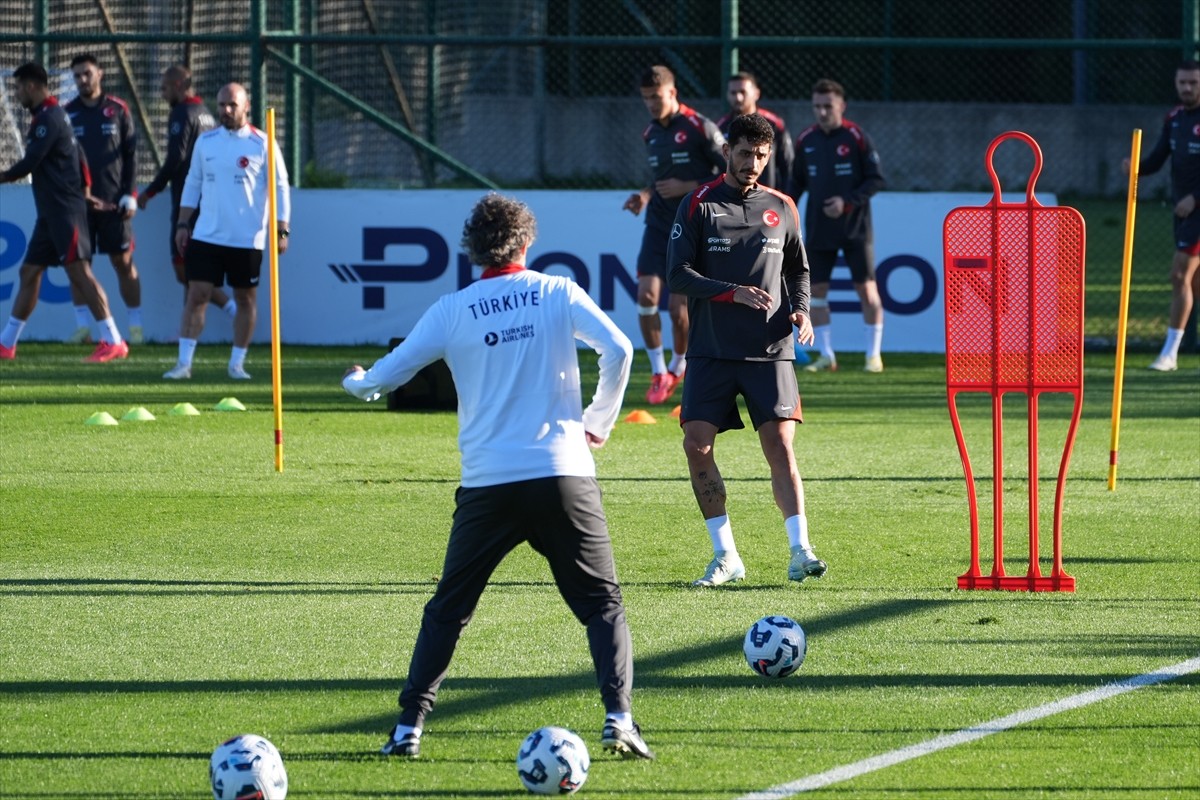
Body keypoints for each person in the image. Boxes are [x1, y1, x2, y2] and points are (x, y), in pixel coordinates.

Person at [343, 193, 652, 761]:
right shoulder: (557, 291)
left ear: (472, 250)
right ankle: (619, 720)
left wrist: (356, 380)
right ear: (527, 243)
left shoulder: (452, 309)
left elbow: (386, 377)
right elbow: (619, 349)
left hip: (489, 484)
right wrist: (596, 423)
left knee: (449, 609)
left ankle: (408, 729)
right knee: (601, 604)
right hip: (562, 473)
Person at [667, 113, 826, 588]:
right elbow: (677, 274)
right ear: (726, 151)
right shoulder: (698, 204)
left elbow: (798, 269)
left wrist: (802, 310)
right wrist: (730, 292)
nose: (751, 163)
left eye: (760, 155)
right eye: (743, 153)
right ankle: (726, 556)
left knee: (779, 446)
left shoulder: (782, 206)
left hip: (769, 348)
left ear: (769, 155)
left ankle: (800, 550)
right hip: (711, 349)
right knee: (696, 446)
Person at [0, 62, 128, 363]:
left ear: (31, 86)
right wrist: (86, 191)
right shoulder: (56, 114)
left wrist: (2, 176)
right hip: (51, 213)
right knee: (29, 272)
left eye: (18, 88)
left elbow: (30, 163)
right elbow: (80, 156)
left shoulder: (48, 118)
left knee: (79, 272)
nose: (17, 94)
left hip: (64, 211)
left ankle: (113, 340)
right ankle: (6, 344)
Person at [165, 82, 290, 380]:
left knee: (245, 299)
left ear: (246, 107)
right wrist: (183, 223)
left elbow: (281, 187)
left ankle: (236, 364)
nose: (226, 110)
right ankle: (183, 364)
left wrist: (282, 229)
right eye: (221, 105)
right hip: (206, 235)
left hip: (247, 239)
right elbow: (192, 183)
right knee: (197, 294)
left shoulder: (263, 143)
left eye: (232, 105)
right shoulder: (206, 142)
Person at [622, 65, 725, 404]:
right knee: (646, 296)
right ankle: (658, 372)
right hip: (657, 224)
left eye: (656, 97)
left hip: (692, 225)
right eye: (646, 98)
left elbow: (731, 172)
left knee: (679, 310)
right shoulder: (650, 132)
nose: (651, 104)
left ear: (672, 92)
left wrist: (688, 186)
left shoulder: (700, 127)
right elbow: (660, 179)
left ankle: (678, 366)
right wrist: (645, 195)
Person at [790, 78, 886, 373]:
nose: (822, 112)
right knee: (816, 291)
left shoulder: (856, 137)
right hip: (819, 228)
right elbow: (795, 184)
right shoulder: (806, 139)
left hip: (855, 228)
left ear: (841, 106)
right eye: (817, 106)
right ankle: (826, 355)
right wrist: (782, 212)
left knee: (866, 289)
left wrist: (846, 202)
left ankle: (873, 356)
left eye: (828, 106)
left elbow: (876, 179)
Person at [138, 64, 237, 327]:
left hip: (188, 203)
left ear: (179, 85)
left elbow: (176, 158)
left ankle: (234, 310)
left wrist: (150, 191)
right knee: (192, 271)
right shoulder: (205, 113)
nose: (162, 94)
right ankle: (188, 331)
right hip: (208, 202)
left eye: (164, 88)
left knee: (187, 272)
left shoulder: (182, 113)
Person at [1123, 60, 1200, 372]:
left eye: (1193, 82)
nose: (1187, 88)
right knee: (1193, 284)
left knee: (1179, 275)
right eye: (1182, 82)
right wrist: (1136, 168)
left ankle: (1169, 354)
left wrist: (1195, 198)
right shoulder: (1175, 118)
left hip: (1196, 210)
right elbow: (1156, 159)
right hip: (1182, 212)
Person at [64, 53, 143, 345]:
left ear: (100, 74)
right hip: (79, 204)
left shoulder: (118, 109)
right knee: (78, 266)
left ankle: (135, 328)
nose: (82, 80)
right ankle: (83, 328)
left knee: (123, 262)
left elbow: (131, 156)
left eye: (87, 73)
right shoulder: (67, 113)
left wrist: (130, 195)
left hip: (113, 204)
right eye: (77, 76)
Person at [715, 72, 794, 192]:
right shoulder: (720, 127)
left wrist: (783, 198)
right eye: (733, 93)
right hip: (729, 197)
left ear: (756, 94)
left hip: (765, 198)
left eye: (743, 92)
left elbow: (788, 167)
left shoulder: (774, 124)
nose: (738, 98)